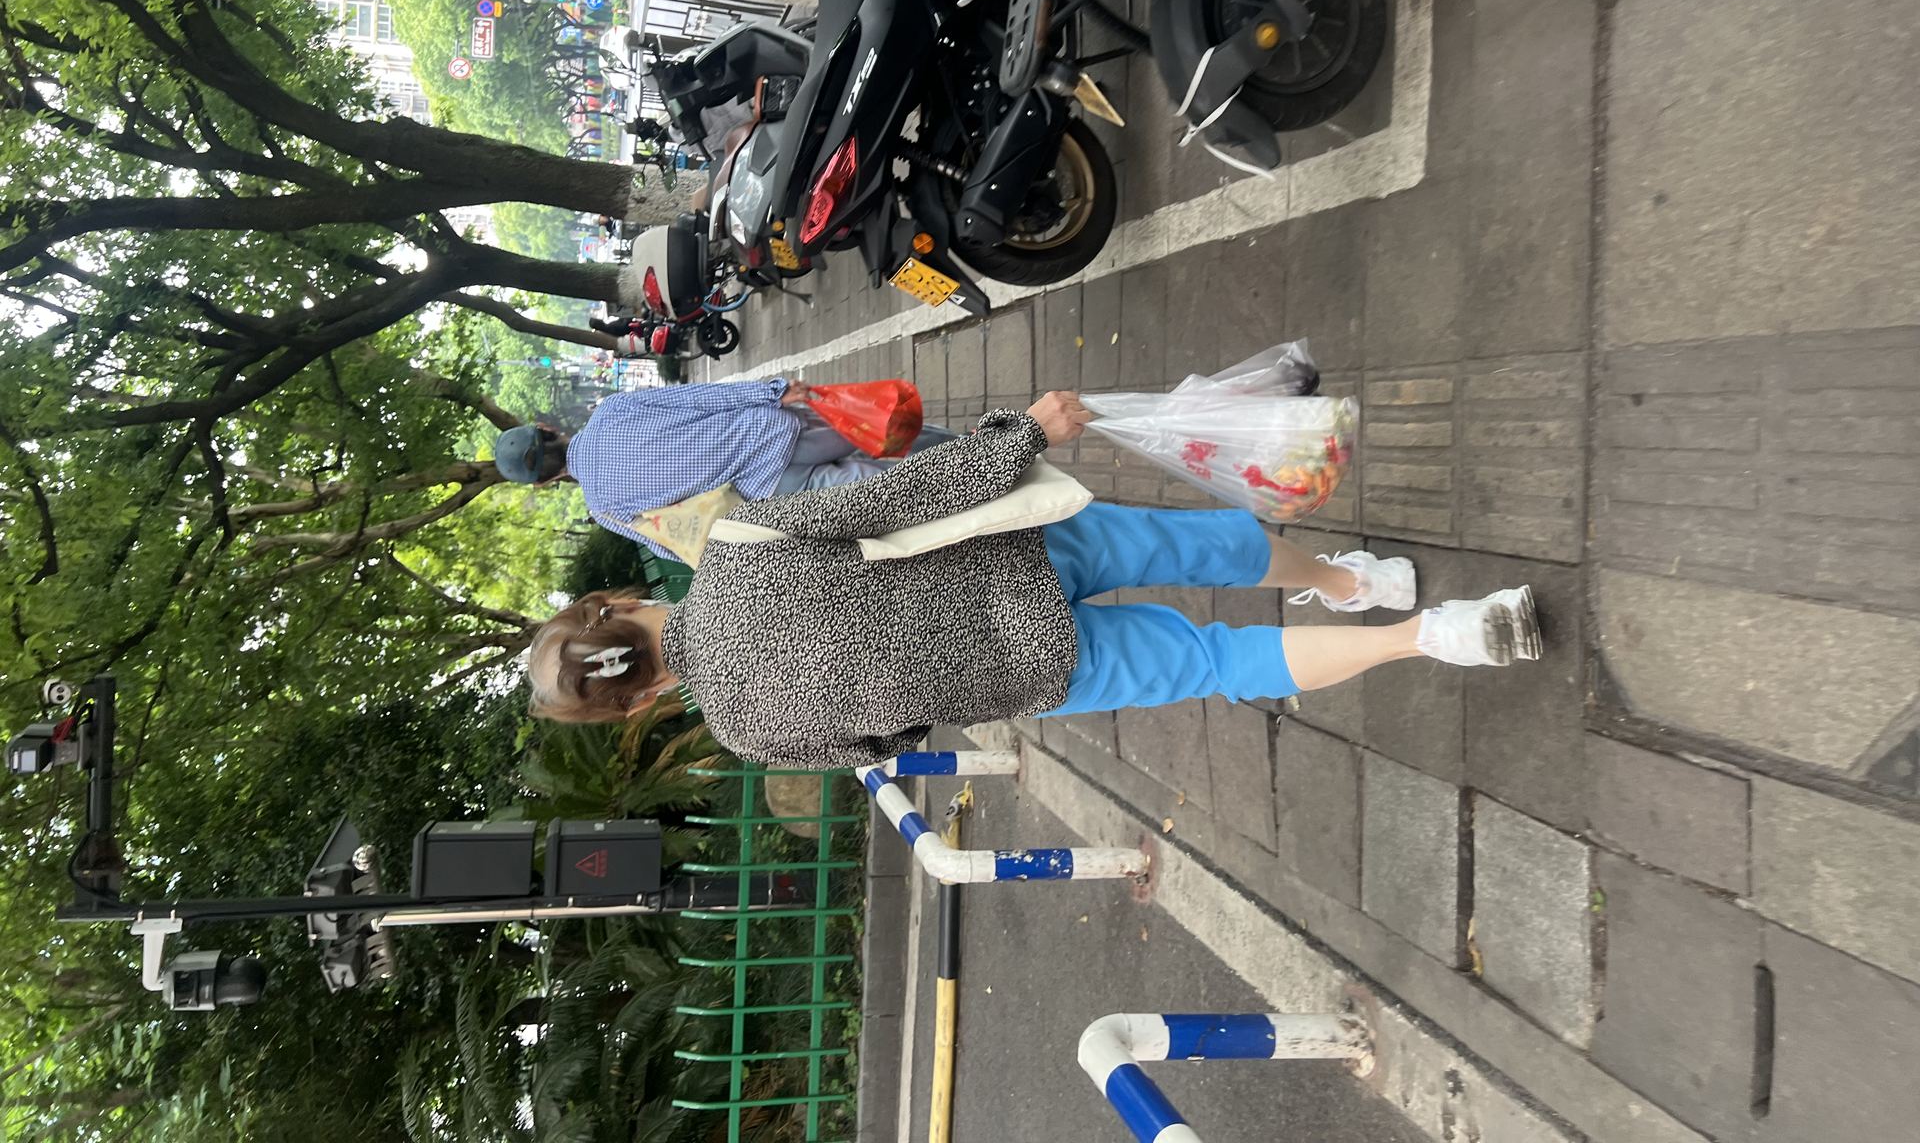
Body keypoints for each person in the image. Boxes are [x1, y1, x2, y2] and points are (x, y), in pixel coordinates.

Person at [522, 392, 1543, 768]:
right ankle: (1352, 582)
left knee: (1219, 663)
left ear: (639, 698)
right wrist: (1021, 440)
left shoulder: (749, 736)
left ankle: (1433, 637)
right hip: (1013, 551)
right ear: (620, 607)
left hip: (1027, 669)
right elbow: (893, 500)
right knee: (1196, 549)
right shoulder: (739, 543)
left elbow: (890, 739)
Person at [493, 380, 956, 560]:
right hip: (776, 431)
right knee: (887, 433)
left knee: (900, 486)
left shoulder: (605, 510)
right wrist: (775, 391)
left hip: (772, 494)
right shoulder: (612, 411)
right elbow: (698, 398)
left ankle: (985, 482)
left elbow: (680, 547)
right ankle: (990, 447)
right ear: (547, 429)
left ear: (548, 481)